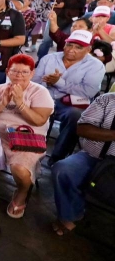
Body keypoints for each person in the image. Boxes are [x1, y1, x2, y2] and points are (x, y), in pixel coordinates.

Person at [0, 55, 54, 218]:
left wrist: (20, 102)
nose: (19, 75)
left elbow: (39, 120)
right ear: (7, 71)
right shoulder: (0, 88)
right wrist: (2, 103)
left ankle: (22, 190)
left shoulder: (40, 92)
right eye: (14, 71)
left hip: (26, 137)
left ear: (32, 73)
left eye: (24, 72)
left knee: (20, 169)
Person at [33, 30, 105, 164]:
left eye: (79, 47)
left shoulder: (96, 66)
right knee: (28, 107)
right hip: (44, 99)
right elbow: (35, 81)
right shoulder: (49, 58)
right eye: (69, 45)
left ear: (89, 49)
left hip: (70, 105)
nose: (72, 50)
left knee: (76, 116)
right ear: (64, 44)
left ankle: (57, 158)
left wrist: (58, 83)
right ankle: (28, 152)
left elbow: (88, 91)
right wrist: (46, 82)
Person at [51, 93, 115, 235]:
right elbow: (82, 128)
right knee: (62, 170)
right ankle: (71, 215)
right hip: (93, 157)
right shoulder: (106, 100)